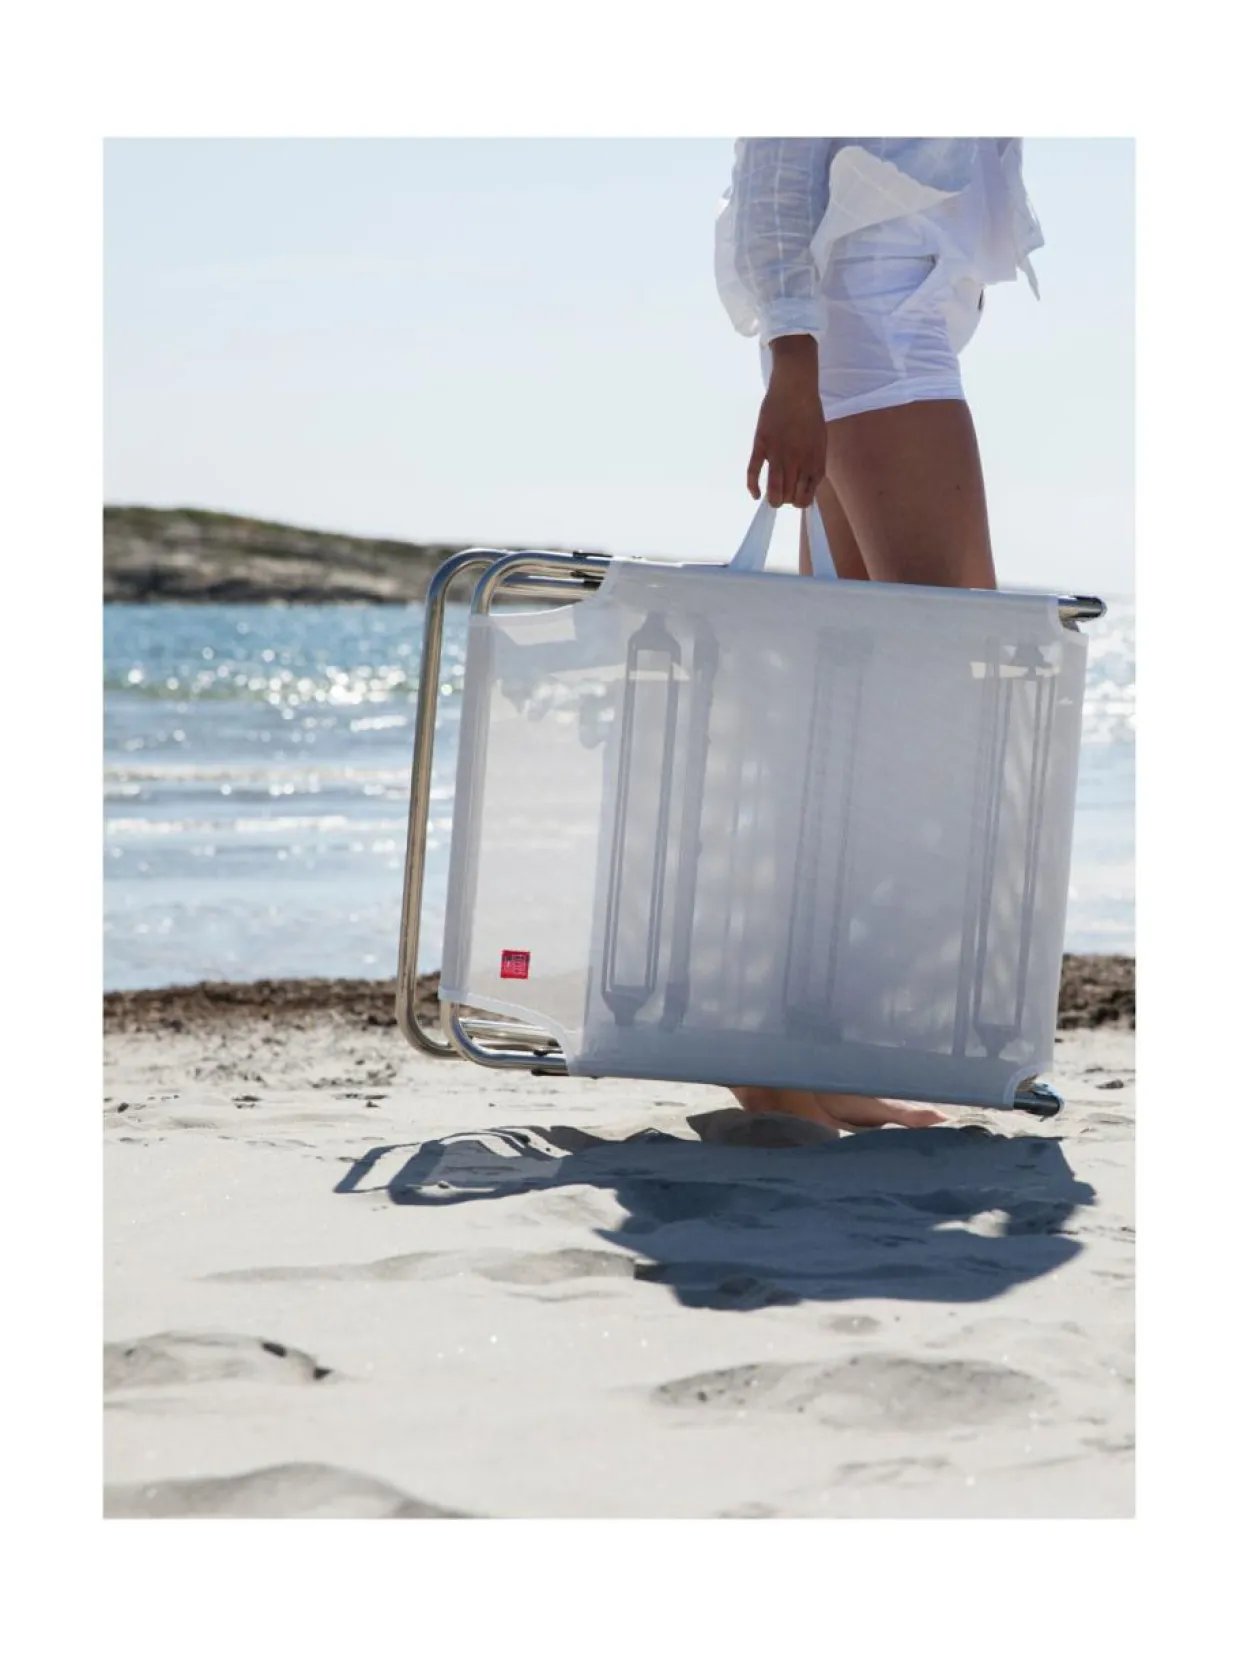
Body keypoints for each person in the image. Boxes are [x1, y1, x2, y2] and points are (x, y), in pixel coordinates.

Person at [715, 137, 1044, 1135]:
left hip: (888, 322)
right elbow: (776, 166)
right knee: (944, 708)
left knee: (860, 721)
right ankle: (779, 1051)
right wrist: (793, 364)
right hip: (871, 328)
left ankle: (805, 1051)